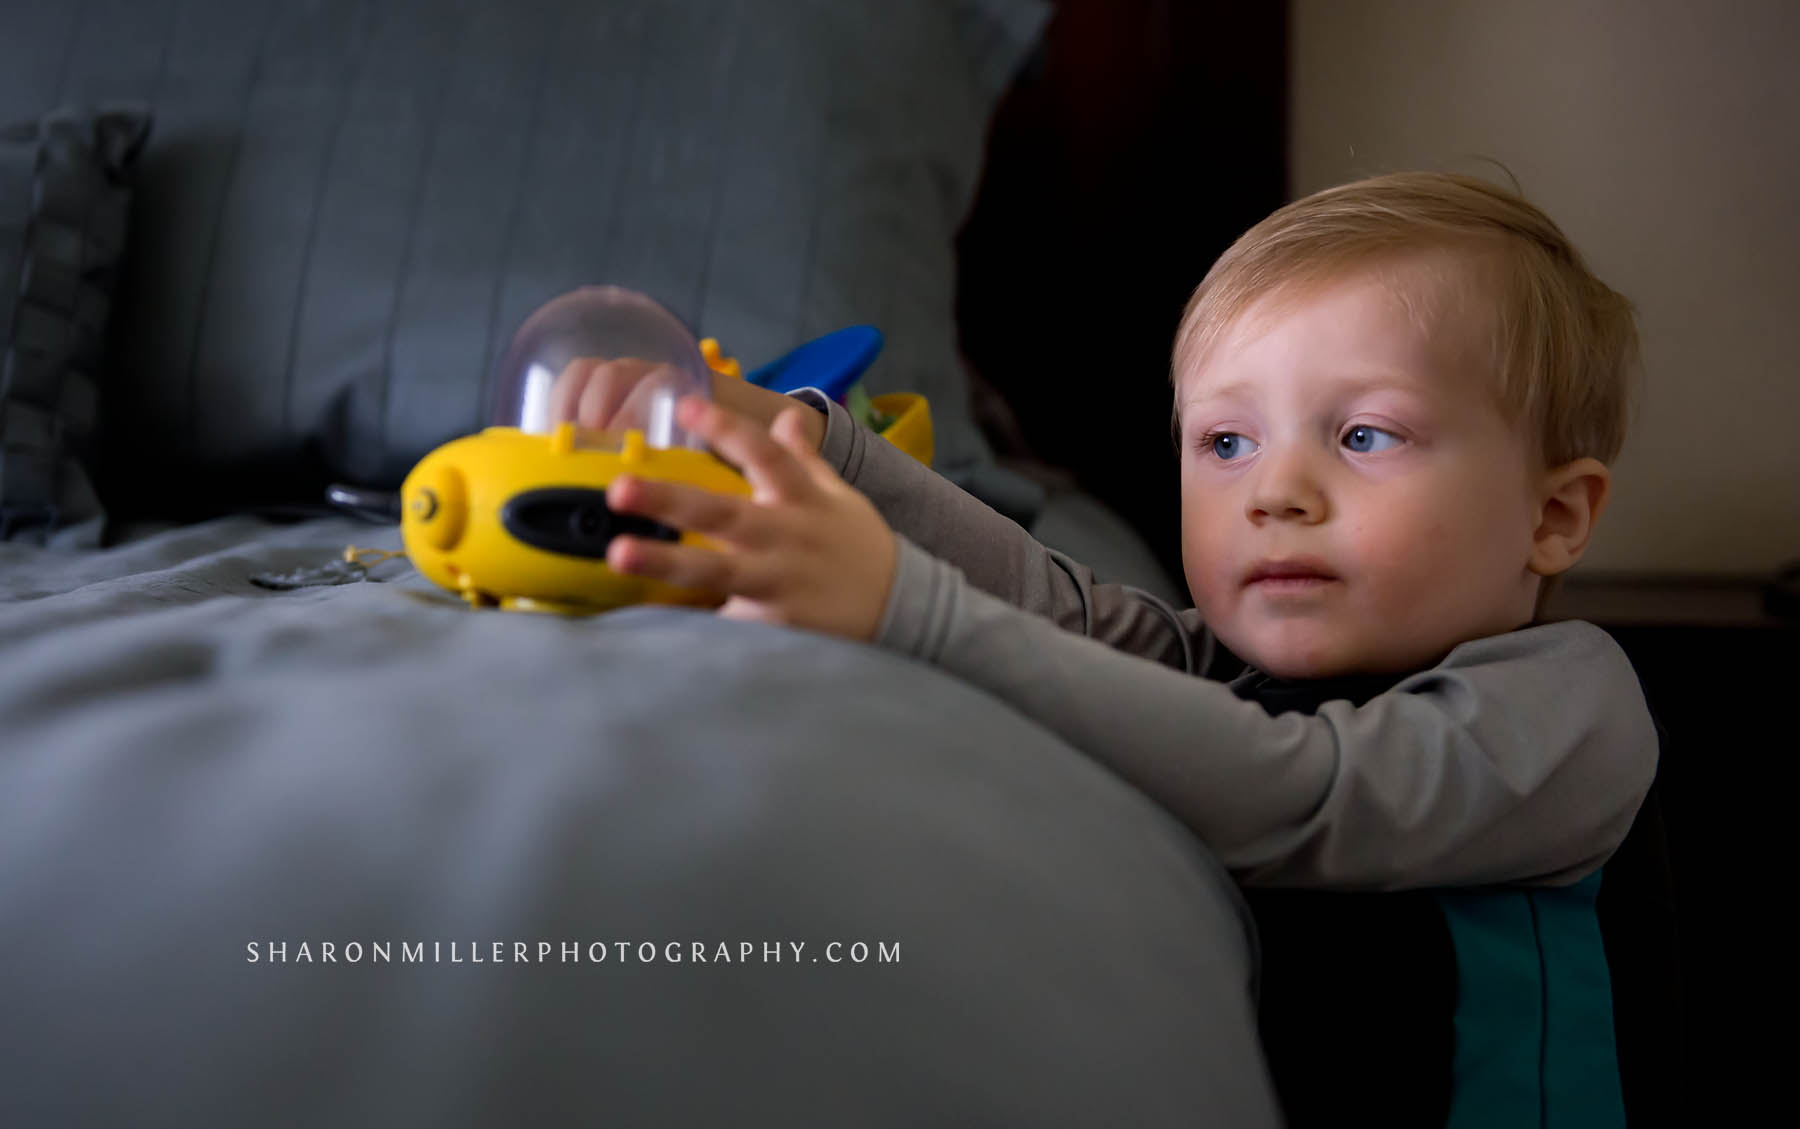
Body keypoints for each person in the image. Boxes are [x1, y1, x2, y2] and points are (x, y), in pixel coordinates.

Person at [578, 170, 1660, 893]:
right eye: (1226, 443)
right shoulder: (1233, 665)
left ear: (1554, 515)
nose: (1274, 491)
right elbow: (1071, 618)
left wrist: (904, 607)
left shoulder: (1566, 704)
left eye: (1366, 434)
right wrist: (808, 441)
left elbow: (1302, 791)